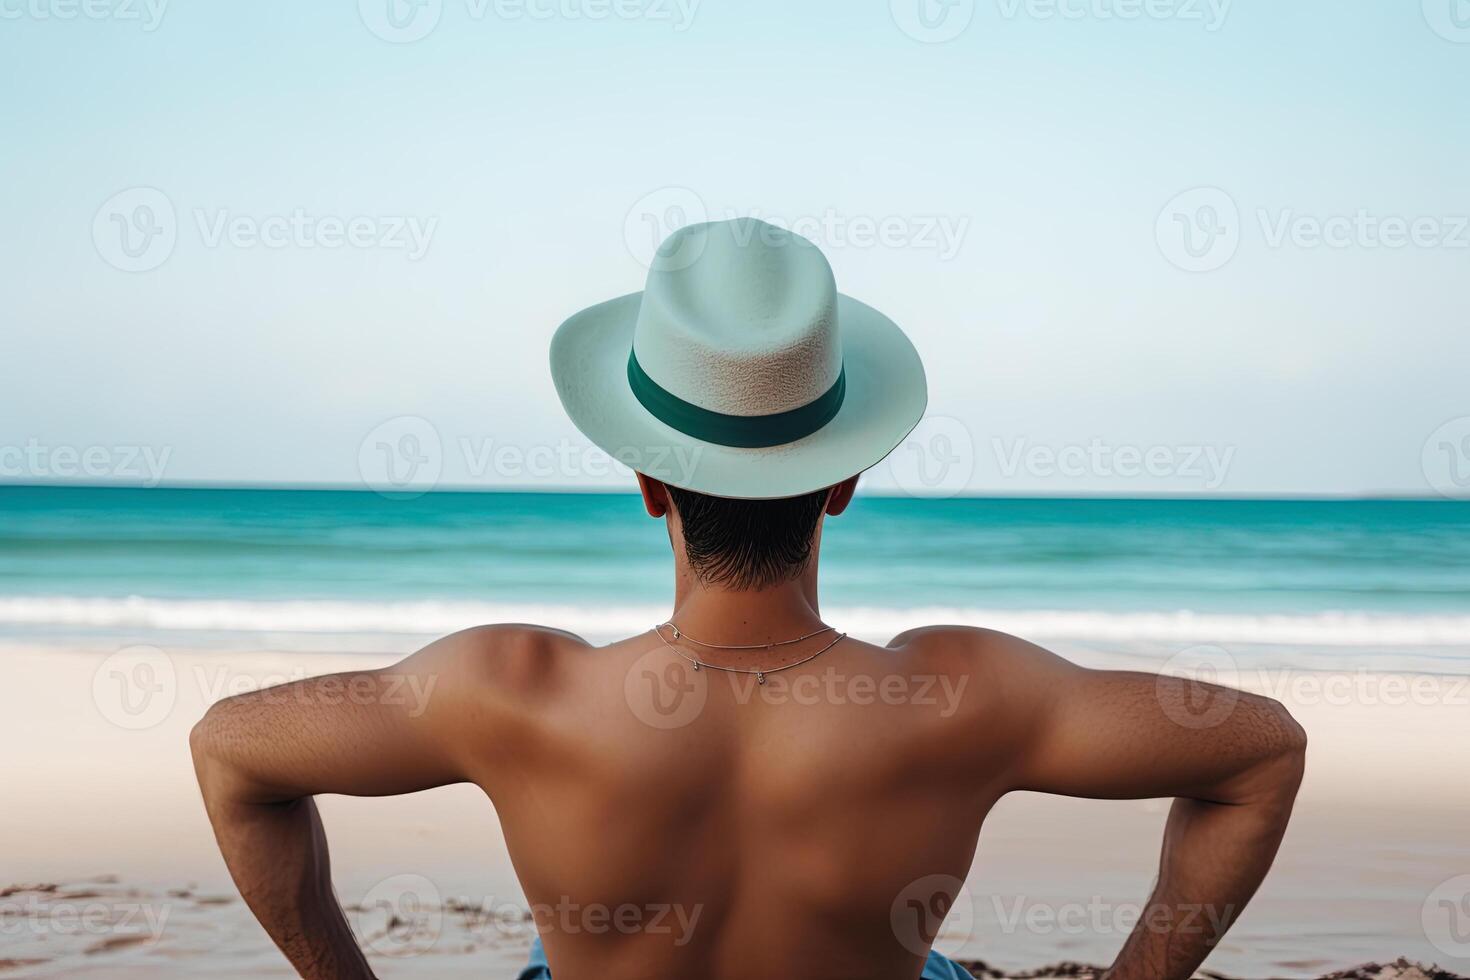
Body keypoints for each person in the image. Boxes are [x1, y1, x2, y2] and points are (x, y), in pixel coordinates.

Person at [191, 218, 1306, 980]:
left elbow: (232, 751)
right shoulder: (965, 692)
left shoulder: (510, 688)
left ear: (643, 482)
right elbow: (1259, 752)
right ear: (844, 484)